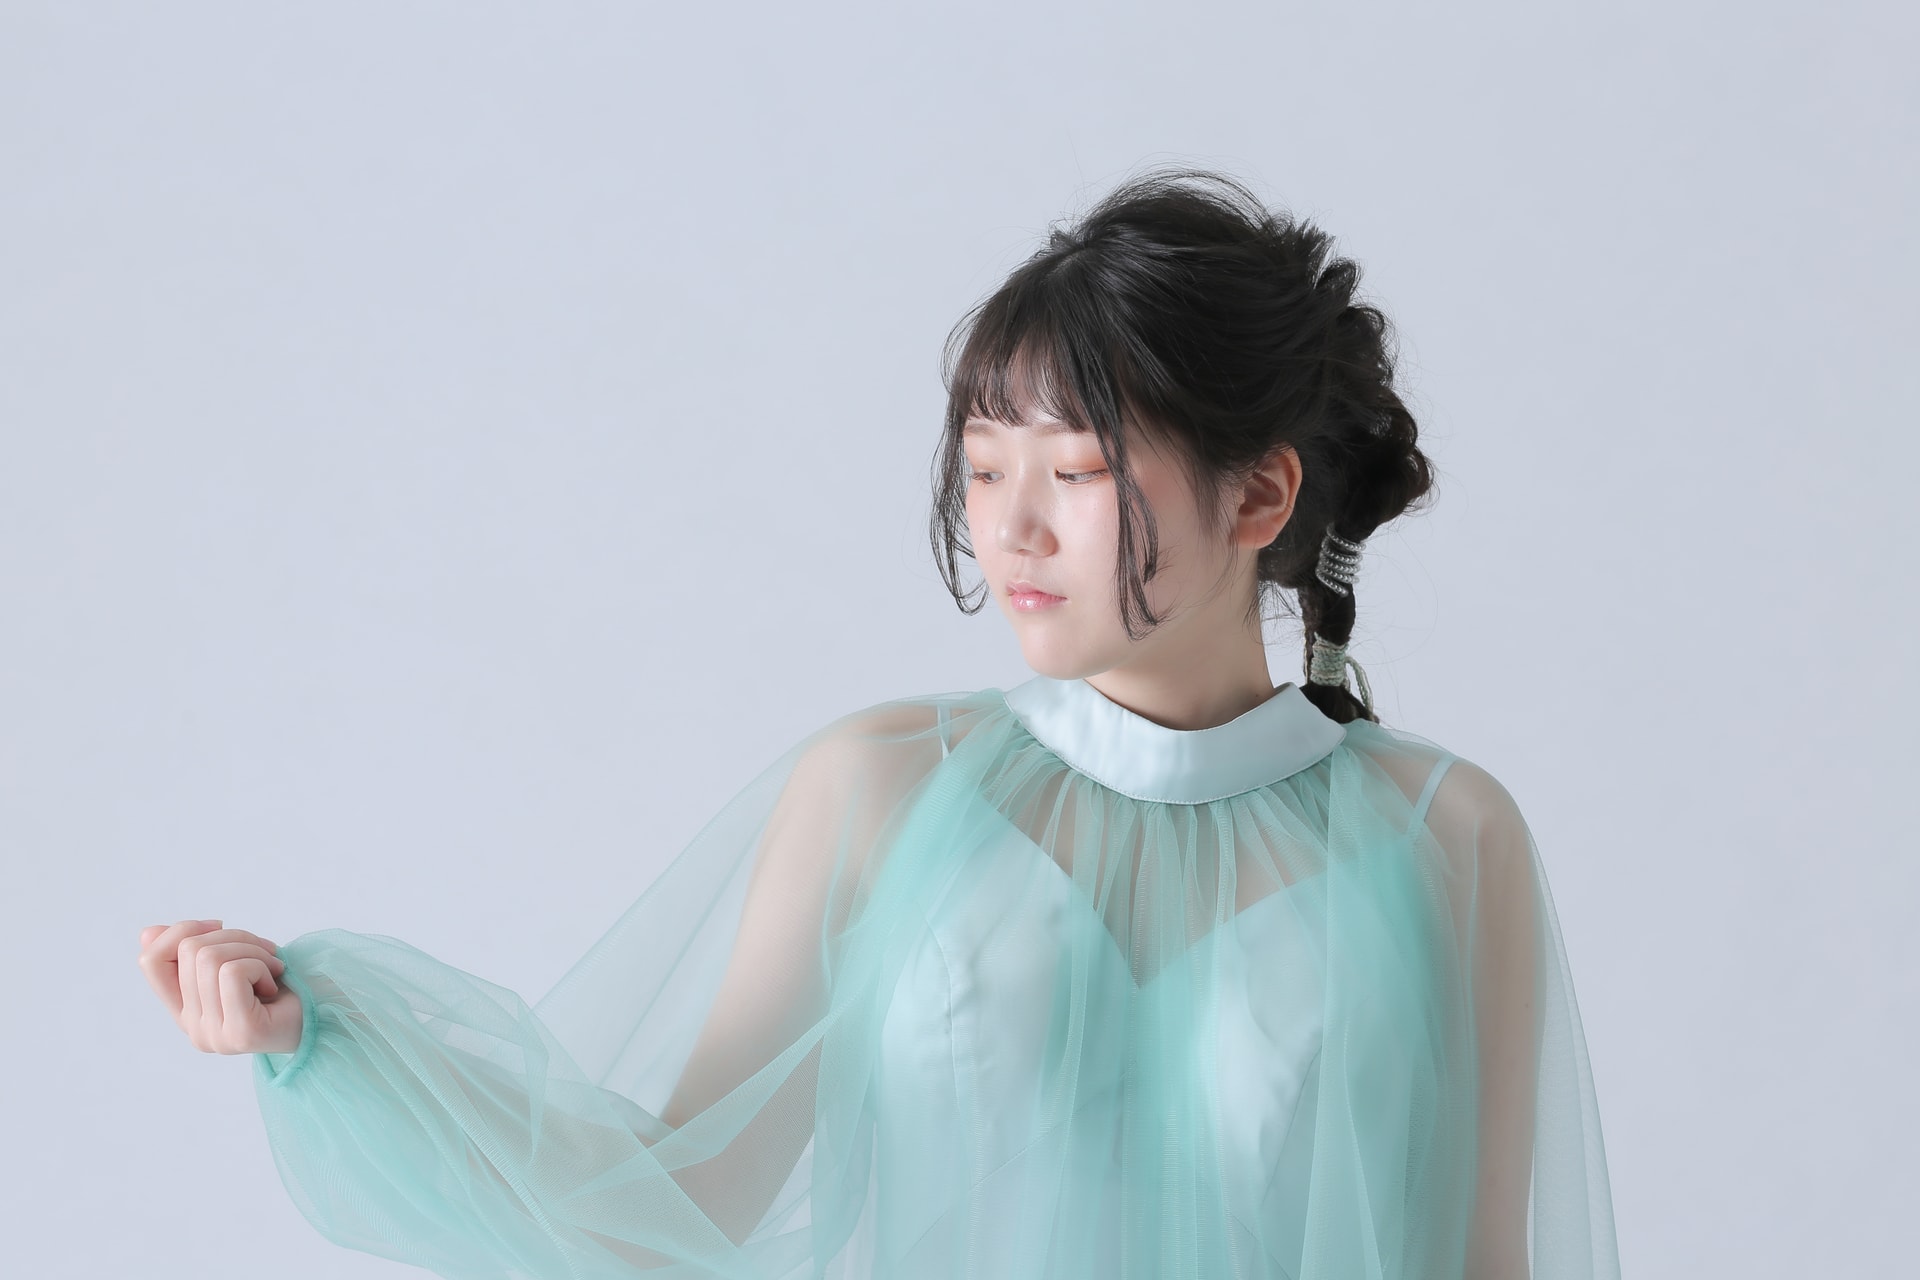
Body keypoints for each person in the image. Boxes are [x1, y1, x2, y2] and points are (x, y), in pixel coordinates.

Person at [136, 166, 1620, 1279]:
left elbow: (1482, 1264)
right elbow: (672, 1199)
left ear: (1261, 496)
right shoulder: (888, 791)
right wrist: (333, 1040)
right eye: (983, 468)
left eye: (1076, 472)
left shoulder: (1445, 837)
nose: (1010, 528)